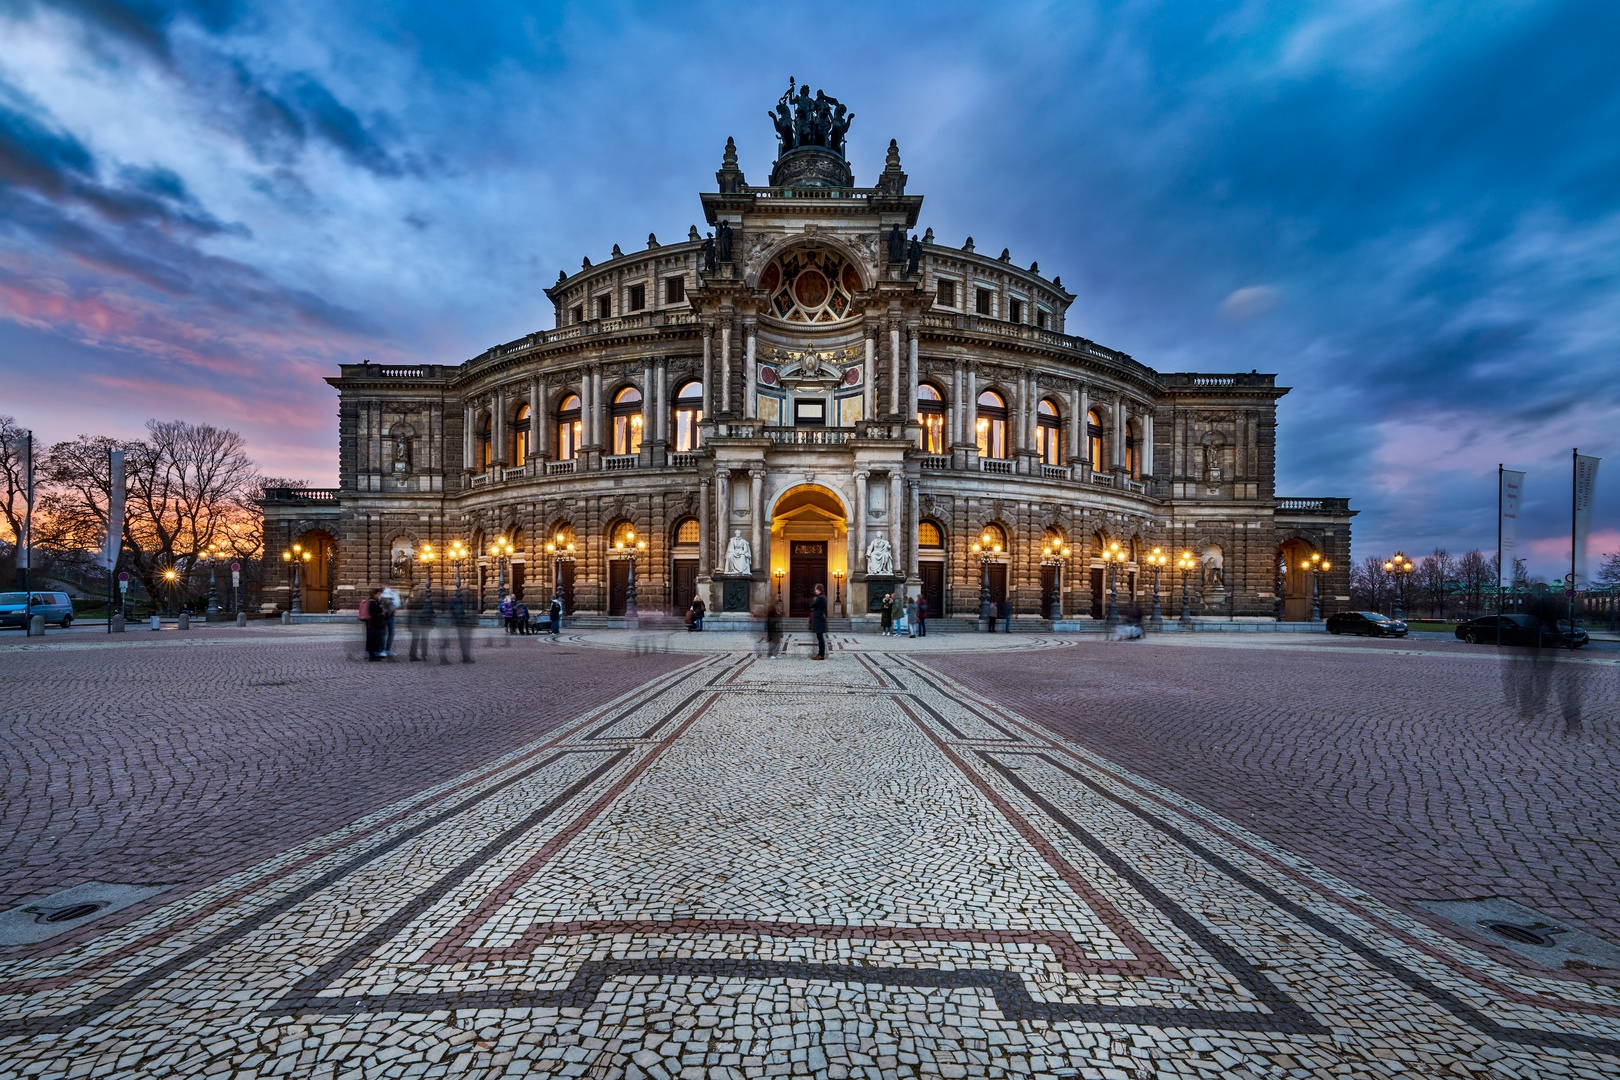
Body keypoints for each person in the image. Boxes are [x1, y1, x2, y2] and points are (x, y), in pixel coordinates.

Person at [360, 588, 386, 661]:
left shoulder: (376, 602)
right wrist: (381, 615)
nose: (380, 595)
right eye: (378, 594)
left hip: (374, 623)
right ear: (374, 594)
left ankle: (375, 654)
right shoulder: (372, 602)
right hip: (373, 623)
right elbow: (373, 613)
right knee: (373, 639)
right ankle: (372, 656)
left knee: (375, 639)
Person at [406, 590, 430, 661]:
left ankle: (412, 655)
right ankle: (423, 655)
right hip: (422, 624)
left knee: (415, 640)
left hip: (414, 624)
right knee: (424, 640)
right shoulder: (425, 603)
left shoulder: (412, 604)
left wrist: (409, 625)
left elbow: (409, 616)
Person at [379, 585, 400, 657]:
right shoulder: (381, 597)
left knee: (391, 633)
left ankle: (388, 649)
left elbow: (396, 604)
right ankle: (383, 649)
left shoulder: (392, 598)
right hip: (384, 617)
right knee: (383, 633)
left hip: (390, 617)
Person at [809, 583, 828, 659]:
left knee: (820, 638)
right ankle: (820, 654)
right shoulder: (822, 597)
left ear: (818, 590)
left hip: (819, 620)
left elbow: (812, 605)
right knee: (820, 637)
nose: (815, 590)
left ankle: (821, 655)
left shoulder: (820, 598)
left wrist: (813, 602)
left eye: (816, 589)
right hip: (819, 619)